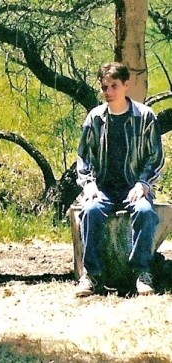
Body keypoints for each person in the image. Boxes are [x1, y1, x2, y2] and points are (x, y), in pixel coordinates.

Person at [75, 62, 164, 297]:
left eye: (114, 86)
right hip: (102, 187)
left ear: (126, 85)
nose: (109, 92)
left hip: (134, 187)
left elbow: (155, 157)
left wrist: (143, 183)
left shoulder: (144, 117)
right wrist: (89, 184)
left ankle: (141, 272)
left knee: (145, 213)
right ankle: (91, 275)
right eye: (105, 87)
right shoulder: (95, 119)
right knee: (91, 210)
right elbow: (84, 157)